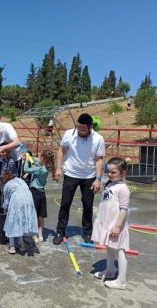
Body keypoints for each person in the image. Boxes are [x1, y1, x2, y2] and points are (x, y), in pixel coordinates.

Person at [53, 113, 105, 245]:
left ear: (90, 127)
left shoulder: (98, 139)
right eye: (78, 127)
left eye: (83, 129)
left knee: (88, 206)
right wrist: (58, 168)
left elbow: (99, 160)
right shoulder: (69, 134)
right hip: (71, 174)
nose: (80, 131)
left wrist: (98, 179)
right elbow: (61, 150)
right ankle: (60, 231)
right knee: (65, 204)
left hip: (89, 176)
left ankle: (87, 232)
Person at [92, 157, 130, 290]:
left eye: (114, 172)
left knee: (120, 250)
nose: (110, 174)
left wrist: (117, 226)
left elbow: (123, 209)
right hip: (106, 222)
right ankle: (110, 270)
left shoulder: (123, 188)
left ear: (123, 173)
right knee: (109, 247)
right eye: (108, 171)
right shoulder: (109, 184)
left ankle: (121, 281)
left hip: (116, 225)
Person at [1, 168, 38, 255]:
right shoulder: (20, 179)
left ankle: (12, 246)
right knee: (21, 221)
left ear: (5, 180)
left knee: (12, 222)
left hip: (17, 200)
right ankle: (21, 245)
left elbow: (6, 202)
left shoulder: (7, 185)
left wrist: (5, 211)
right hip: (29, 200)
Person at [23, 149, 55, 243]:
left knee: (34, 215)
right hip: (42, 193)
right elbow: (36, 161)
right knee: (41, 216)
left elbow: (26, 169)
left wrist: (26, 160)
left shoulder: (39, 169)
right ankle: (40, 235)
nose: (38, 158)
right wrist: (30, 157)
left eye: (40, 156)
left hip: (34, 193)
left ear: (43, 158)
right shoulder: (47, 167)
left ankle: (34, 235)